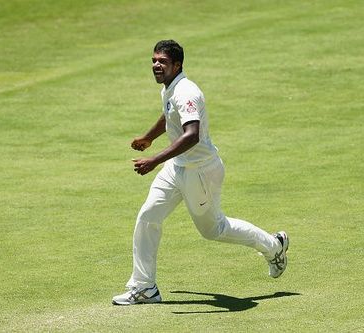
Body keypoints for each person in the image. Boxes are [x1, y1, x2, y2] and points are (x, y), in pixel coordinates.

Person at [112, 40, 289, 306]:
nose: (156, 65)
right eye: (154, 60)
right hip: (177, 168)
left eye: (162, 61)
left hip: (200, 172)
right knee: (148, 217)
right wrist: (149, 137)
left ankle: (273, 246)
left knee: (214, 230)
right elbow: (169, 113)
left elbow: (192, 134)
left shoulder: (186, 92)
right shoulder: (170, 89)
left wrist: (154, 160)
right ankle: (144, 287)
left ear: (177, 65)